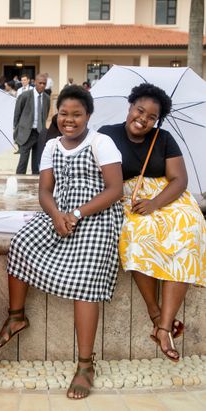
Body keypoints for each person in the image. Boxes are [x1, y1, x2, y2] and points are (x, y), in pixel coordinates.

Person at [0, 85, 124, 400]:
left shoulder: (100, 142)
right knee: (21, 242)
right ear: (56, 114)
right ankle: (16, 315)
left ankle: (85, 365)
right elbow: (44, 192)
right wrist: (55, 216)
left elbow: (115, 189)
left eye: (77, 114)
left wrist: (76, 214)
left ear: (88, 116)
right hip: (58, 213)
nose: (69, 119)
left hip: (97, 215)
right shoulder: (51, 146)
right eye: (64, 113)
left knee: (86, 275)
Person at [98, 83, 206, 362]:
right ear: (130, 106)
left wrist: (156, 203)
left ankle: (163, 327)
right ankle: (155, 312)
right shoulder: (106, 135)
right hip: (127, 197)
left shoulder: (164, 138)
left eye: (151, 117)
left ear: (157, 120)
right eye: (140, 111)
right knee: (136, 233)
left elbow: (180, 180)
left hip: (166, 197)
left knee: (187, 230)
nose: (143, 119)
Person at [14, 73, 51, 174]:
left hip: (39, 133)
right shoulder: (25, 96)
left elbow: (45, 114)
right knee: (23, 160)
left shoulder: (47, 98)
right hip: (27, 132)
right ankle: (19, 181)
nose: (42, 85)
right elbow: (17, 113)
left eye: (44, 83)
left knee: (37, 161)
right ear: (35, 82)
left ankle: (35, 183)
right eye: (40, 83)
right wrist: (17, 130)